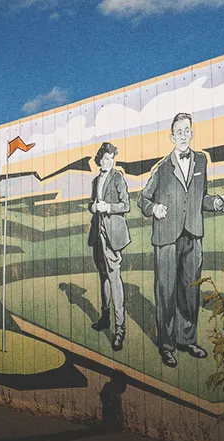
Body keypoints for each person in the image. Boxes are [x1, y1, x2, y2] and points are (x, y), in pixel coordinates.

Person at [138, 112, 224, 368]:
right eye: (179, 131)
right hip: (166, 239)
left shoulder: (201, 161)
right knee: (166, 293)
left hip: (193, 235)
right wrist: (154, 208)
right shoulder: (161, 169)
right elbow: (142, 200)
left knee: (191, 292)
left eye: (187, 130)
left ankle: (187, 340)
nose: (183, 135)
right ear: (172, 136)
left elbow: (201, 198)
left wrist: (217, 204)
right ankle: (167, 346)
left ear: (192, 133)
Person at [88, 142, 131, 351]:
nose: (108, 161)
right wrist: (94, 206)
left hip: (113, 235)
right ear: (100, 159)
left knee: (114, 278)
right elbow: (90, 204)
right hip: (98, 235)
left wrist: (108, 207)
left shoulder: (118, 177)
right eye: (105, 158)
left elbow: (126, 205)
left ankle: (119, 328)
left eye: (111, 158)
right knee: (103, 275)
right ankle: (105, 318)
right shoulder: (96, 180)